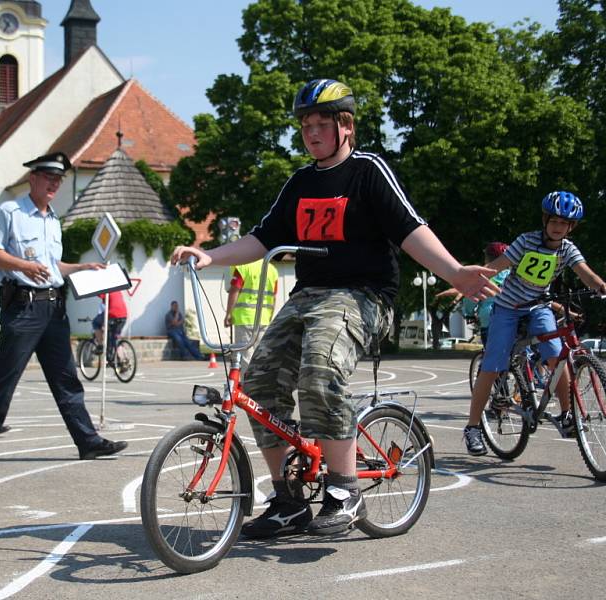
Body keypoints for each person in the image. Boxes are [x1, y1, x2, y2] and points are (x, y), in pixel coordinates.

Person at [171, 78, 496, 539]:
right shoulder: (300, 182)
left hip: (363, 295)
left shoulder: (368, 172)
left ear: (345, 125)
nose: (311, 133)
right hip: (308, 296)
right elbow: (260, 239)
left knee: (320, 370)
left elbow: (409, 229)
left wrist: (453, 272)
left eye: (321, 124)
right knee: (259, 381)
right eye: (305, 126)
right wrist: (210, 256)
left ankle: (344, 489)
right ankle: (288, 501)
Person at [0, 152, 128, 469]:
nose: (54, 183)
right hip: (23, 307)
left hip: (54, 308)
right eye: (49, 177)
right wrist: (24, 265)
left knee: (66, 378)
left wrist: (81, 267)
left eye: (59, 179)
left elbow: (52, 266)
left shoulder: (54, 219)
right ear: (33, 179)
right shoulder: (11, 211)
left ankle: (88, 442)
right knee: (4, 378)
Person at [463, 191, 606, 455]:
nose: (557, 227)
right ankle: (472, 427)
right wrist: (473, 280)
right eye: (553, 221)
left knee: (557, 355)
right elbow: (498, 265)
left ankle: (565, 414)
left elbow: (586, 274)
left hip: (539, 306)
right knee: (493, 363)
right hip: (508, 307)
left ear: (570, 227)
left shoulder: (567, 249)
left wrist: (600, 286)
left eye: (563, 223)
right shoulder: (526, 241)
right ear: (545, 220)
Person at [436, 242, 510, 346]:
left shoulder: (482, 276)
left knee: (491, 354)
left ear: (487, 258)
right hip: (516, 317)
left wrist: (469, 314)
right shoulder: (516, 275)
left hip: (490, 319)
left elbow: (471, 298)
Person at [224, 259, 279, 376]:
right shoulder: (272, 270)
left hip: (245, 318)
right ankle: (259, 386)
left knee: (245, 356)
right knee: (261, 355)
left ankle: (247, 387)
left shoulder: (243, 266)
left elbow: (235, 290)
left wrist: (228, 313)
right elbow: (273, 297)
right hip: (263, 318)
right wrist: (269, 316)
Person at [92, 290, 128, 363]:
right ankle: (123, 360)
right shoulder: (118, 289)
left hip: (112, 314)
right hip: (124, 315)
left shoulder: (107, 288)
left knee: (95, 322)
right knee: (115, 338)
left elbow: (99, 293)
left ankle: (100, 345)